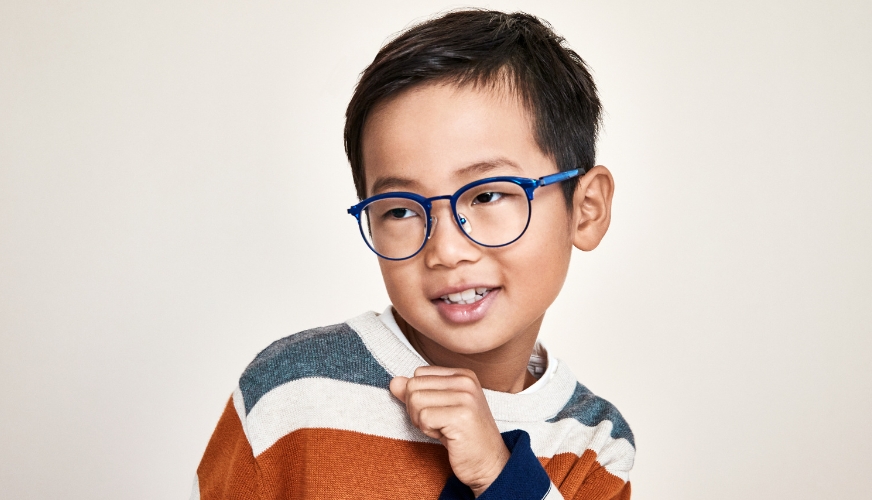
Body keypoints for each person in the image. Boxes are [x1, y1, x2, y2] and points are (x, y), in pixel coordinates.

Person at [191, 9, 634, 500]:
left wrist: (500, 475)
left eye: (487, 196)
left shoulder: (595, 445)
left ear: (586, 209)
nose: (446, 250)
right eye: (401, 210)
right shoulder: (294, 393)